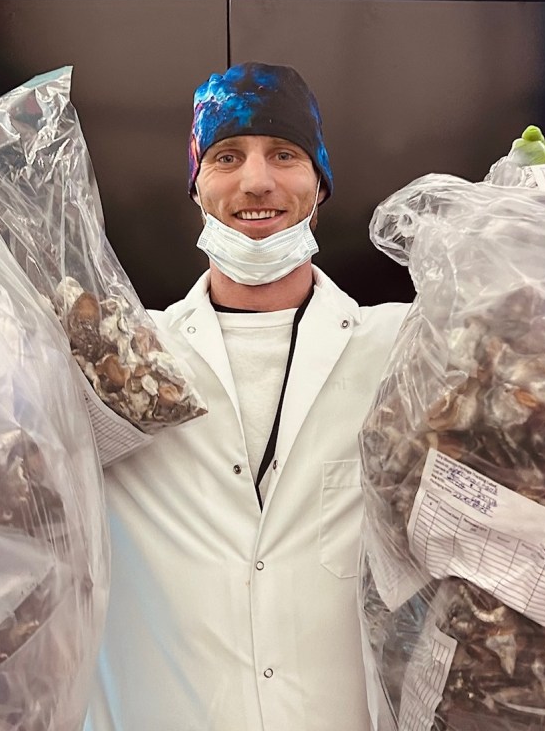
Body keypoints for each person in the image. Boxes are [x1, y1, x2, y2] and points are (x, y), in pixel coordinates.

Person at [83, 61, 411, 731]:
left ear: (318, 182)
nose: (256, 181)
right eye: (227, 156)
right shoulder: (120, 360)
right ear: (197, 186)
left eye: (284, 155)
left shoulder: (400, 347)